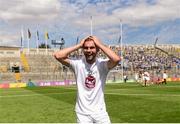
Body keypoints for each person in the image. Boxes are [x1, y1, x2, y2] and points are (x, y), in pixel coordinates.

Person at [53, 35, 120, 123]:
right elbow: (57, 55)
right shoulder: (77, 64)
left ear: (97, 49)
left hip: (100, 112)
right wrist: (79, 45)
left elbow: (116, 59)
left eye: (92, 47)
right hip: (82, 114)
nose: (88, 50)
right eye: (86, 48)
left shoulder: (102, 65)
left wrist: (99, 44)